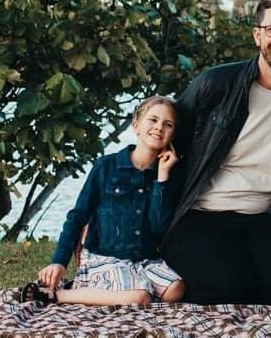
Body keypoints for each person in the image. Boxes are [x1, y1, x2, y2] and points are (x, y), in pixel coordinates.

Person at [161, 0, 271, 305]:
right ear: (257, 35)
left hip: (262, 217)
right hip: (200, 214)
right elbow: (163, 140)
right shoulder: (214, 84)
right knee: (227, 288)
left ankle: (235, 270)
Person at [20, 96, 185, 306]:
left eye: (167, 124)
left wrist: (162, 178)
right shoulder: (106, 167)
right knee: (140, 297)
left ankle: (109, 292)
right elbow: (77, 217)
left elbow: (158, 226)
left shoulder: (168, 175)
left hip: (144, 260)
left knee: (175, 290)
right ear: (136, 125)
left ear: (173, 133)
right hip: (105, 256)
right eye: (153, 120)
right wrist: (59, 262)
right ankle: (56, 295)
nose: (159, 127)